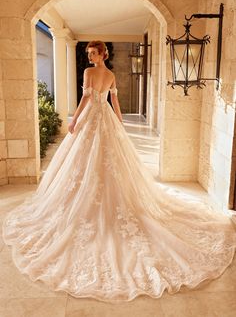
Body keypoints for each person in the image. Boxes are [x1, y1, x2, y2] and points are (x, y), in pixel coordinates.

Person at [2, 40, 236, 303]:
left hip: (92, 117)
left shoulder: (90, 73)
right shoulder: (110, 74)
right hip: (106, 119)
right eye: (88, 53)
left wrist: (75, 119)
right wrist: (119, 125)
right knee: (99, 162)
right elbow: (114, 100)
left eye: (93, 53)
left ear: (103, 54)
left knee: (88, 161)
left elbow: (85, 99)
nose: (90, 56)